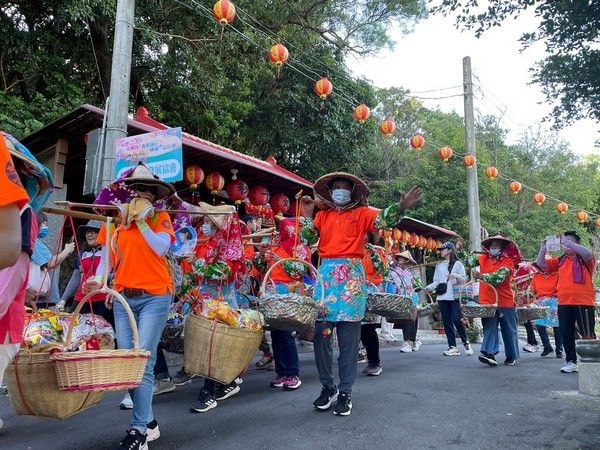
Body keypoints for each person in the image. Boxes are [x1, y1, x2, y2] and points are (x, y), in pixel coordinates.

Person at [301, 172, 422, 416]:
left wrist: (400, 206)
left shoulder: (362, 214)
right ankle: (328, 387)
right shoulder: (321, 216)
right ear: (330, 191)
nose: (340, 190)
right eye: (336, 187)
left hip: (352, 283)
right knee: (322, 337)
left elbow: (382, 220)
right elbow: (306, 238)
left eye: (345, 187)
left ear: (353, 193)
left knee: (348, 343)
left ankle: (345, 392)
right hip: (326, 280)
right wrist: (306, 216)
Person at [85, 163, 176, 450]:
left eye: (144, 191)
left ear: (152, 195)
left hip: (155, 296)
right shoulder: (114, 223)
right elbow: (106, 260)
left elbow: (161, 248)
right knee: (127, 362)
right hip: (124, 297)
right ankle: (148, 422)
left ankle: (138, 431)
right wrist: (98, 281)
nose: (138, 195)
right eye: (134, 190)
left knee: (143, 362)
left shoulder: (160, 218)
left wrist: (141, 221)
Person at [187, 205, 247, 413]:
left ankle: (208, 390)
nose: (205, 225)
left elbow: (226, 272)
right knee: (208, 343)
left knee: (214, 343)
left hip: (221, 303)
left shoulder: (231, 244)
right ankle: (223, 383)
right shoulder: (213, 242)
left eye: (208, 222)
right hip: (206, 299)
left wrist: (197, 264)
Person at [258, 217, 309, 389]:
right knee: (276, 334)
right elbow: (259, 266)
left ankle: (293, 373)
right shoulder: (276, 245)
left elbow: (301, 270)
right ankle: (281, 372)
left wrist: (279, 257)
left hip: (290, 293)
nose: (284, 232)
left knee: (286, 333)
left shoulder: (300, 249)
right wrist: (260, 252)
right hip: (273, 292)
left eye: (286, 228)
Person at [536, 231, 596, 373]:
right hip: (564, 302)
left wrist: (570, 243)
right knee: (566, 332)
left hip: (584, 301)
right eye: (564, 242)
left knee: (587, 333)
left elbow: (588, 254)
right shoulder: (561, 260)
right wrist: (543, 250)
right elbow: (541, 264)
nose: (566, 244)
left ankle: (592, 361)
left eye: (570, 241)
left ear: (576, 243)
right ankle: (571, 361)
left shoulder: (584, 258)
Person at [473, 235, 520, 367]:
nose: (493, 248)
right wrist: (458, 250)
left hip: (505, 301)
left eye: (497, 246)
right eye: (492, 246)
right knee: (489, 328)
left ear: (502, 248)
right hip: (487, 301)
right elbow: (469, 261)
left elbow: (498, 278)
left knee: (509, 330)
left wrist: (481, 276)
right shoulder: (482, 258)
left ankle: (511, 355)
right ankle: (489, 354)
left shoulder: (507, 262)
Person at [57, 220, 113, 325]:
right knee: (74, 329)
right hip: (82, 298)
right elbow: (76, 276)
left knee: (103, 334)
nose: (89, 235)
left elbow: (115, 275)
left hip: (102, 298)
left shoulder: (110, 252)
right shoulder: (83, 253)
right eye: (87, 232)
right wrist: (63, 299)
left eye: (93, 231)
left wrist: (100, 280)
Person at [426, 242, 472, 356]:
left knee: (457, 319)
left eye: (443, 249)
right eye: (441, 249)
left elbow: (464, 280)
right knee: (447, 322)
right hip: (442, 297)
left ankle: (465, 342)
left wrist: (455, 276)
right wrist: (429, 287)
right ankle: (452, 346)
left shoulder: (458, 264)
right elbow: (436, 281)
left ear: (450, 250)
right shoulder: (439, 265)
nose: (441, 251)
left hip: (455, 296)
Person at [360, 235, 387, 376]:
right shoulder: (352, 250)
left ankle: (374, 362)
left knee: (367, 328)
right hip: (353, 292)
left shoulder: (376, 251)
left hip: (371, 291)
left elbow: (382, 270)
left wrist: (373, 252)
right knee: (358, 328)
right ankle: (367, 358)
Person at [389, 250, 422, 352]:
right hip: (402, 297)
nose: (400, 260)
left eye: (402, 259)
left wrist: (414, 279)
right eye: (399, 258)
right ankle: (407, 341)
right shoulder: (395, 271)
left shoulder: (413, 271)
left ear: (407, 260)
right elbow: (393, 282)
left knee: (413, 319)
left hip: (412, 297)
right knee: (405, 319)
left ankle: (412, 340)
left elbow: (418, 285)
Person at [530, 262, 563, 358]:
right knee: (539, 324)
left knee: (557, 326)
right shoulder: (536, 277)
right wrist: (528, 294)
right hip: (540, 303)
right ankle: (547, 347)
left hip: (554, 302)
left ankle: (559, 349)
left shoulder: (557, 275)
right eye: (540, 266)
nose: (542, 268)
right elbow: (532, 290)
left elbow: (561, 289)